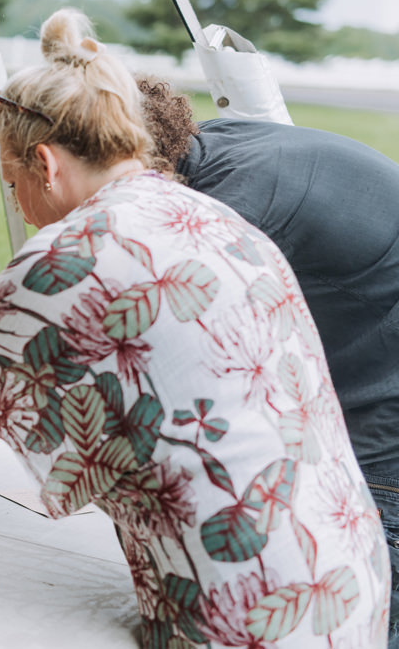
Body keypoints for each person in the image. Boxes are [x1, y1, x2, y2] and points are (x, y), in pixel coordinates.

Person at [0, 7, 390, 647]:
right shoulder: (202, 213)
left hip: (244, 611)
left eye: (11, 183)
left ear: (45, 163)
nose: (21, 209)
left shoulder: (71, 254)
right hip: (344, 575)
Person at [139, 74, 399, 649]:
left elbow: (119, 310)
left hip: (384, 405)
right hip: (363, 338)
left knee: (372, 589)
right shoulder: (207, 144)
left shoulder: (232, 205)